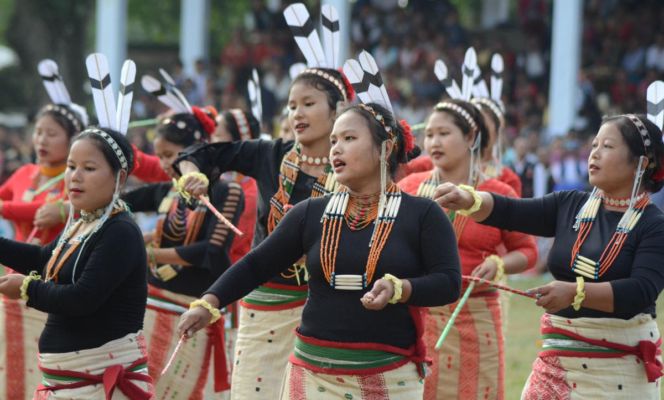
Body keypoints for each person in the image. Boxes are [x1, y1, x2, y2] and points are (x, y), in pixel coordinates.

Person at [177, 101, 461, 399]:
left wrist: (399, 288)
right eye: (334, 140)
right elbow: (257, 265)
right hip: (312, 376)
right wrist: (208, 302)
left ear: (386, 149)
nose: (335, 148)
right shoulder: (310, 213)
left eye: (349, 139)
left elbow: (449, 282)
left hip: (388, 377)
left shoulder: (423, 215)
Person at [436, 113, 664, 398]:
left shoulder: (653, 225)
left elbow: (641, 290)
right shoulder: (570, 205)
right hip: (556, 364)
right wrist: (471, 199)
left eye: (607, 146)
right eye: (594, 145)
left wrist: (576, 292)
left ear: (641, 163)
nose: (594, 153)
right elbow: (512, 210)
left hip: (618, 371)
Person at [398, 99, 537, 400]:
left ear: (471, 138)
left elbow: (527, 252)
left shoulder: (498, 194)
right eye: (430, 134)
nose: (433, 142)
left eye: (444, 133)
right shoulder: (409, 188)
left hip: (476, 317)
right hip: (417, 315)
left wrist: (500, 264)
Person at [0, 126, 152, 398]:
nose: (75, 177)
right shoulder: (83, 222)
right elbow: (44, 259)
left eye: (89, 168)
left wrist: (26, 288)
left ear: (120, 179)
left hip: (98, 383)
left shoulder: (120, 232)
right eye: (71, 167)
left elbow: (82, 298)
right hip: (67, 383)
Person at [122, 106, 244, 397]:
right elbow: (116, 200)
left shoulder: (226, 192)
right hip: (152, 304)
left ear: (192, 151)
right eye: (159, 155)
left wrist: (149, 253)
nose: (164, 164)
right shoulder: (168, 191)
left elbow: (211, 251)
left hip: (194, 308)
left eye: (169, 155)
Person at [0, 61, 87, 400]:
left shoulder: (76, 181)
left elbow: (39, 212)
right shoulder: (25, 173)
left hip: (51, 285)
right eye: (38, 132)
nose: (41, 140)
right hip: (12, 279)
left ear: (72, 140)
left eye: (52, 134)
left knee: (42, 371)